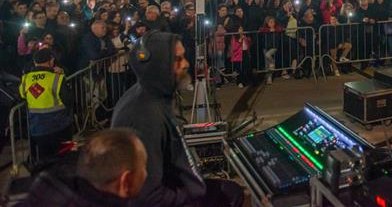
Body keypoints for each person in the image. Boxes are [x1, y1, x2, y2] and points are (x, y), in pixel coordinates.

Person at [111, 31, 243, 206]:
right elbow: (146, 196)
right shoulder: (144, 116)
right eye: (177, 59)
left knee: (231, 191)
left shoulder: (151, 96)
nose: (186, 64)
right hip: (181, 198)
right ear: (158, 66)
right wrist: (190, 197)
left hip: (184, 189)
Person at [22, 128, 148, 206]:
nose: (146, 173)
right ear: (125, 182)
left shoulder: (40, 196)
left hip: (37, 128)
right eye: (144, 166)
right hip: (57, 124)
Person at [19, 48, 73, 160]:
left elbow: (22, 97)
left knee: (45, 161)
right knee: (67, 157)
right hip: (61, 127)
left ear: (34, 62)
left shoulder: (25, 80)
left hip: (37, 130)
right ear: (51, 61)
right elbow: (69, 99)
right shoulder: (57, 78)